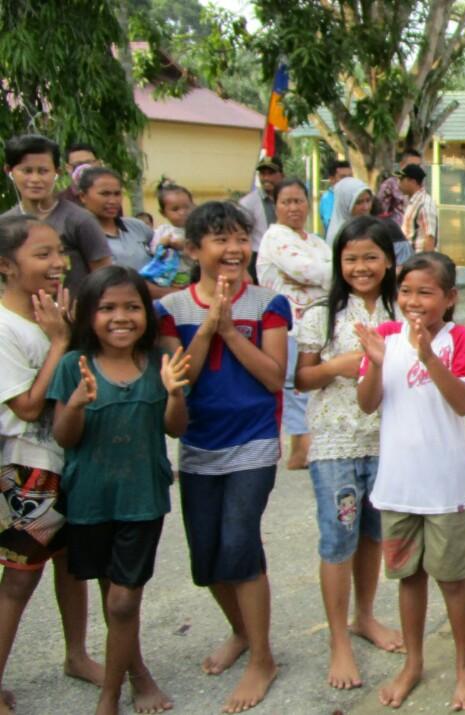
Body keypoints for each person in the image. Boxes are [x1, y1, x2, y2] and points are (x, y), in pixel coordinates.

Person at [155, 202, 290, 714]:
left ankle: (263, 657)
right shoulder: (170, 310)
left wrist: (231, 329)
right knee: (206, 559)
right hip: (197, 446)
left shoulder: (269, 304)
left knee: (240, 546)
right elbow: (177, 382)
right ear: (194, 250)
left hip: (253, 441)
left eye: (240, 238)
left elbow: (275, 377)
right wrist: (210, 324)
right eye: (219, 240)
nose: (233, 249)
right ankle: (239, 630)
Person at [49, 266, 189, 715]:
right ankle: (138, 674)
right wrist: (75, 403)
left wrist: (175, 395)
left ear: (146, 313)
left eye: (132, 307)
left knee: (125, 600)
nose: (120, 317)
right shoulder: (75, 365)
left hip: (142, 499)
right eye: (107, 308)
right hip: (90, 500)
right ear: (89, 315)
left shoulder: (158, 364)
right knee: (114, 597)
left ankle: (109, 697)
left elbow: (174, 429)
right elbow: (64, 437)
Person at [355, 252, 465, 710]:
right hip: (398, 488)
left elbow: (463, 403)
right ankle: (413, 662)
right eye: (405, 291)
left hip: (445, 489)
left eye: (425, 292)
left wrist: (429, 356)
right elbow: (368, 404)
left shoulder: (459, 339)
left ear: (449, 298)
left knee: (452, 579)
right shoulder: (386, 337)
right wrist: (373, 362)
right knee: (408, 578)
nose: (413, 300)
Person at [0, 215, 103, 715]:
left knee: (72, 565)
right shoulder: (5, 326)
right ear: (5, 266)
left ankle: (77, 655)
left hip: (71, 458)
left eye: (59, 252)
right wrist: (60, 341)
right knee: (20, 578)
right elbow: (25, 406)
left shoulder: (54, 313)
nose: (58, 263)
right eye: (42, 255)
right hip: (29, 468)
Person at [294, 215, 402, 689]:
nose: (361, 267)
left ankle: (365, 616)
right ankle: (338, 639)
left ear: (389, 260)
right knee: (338, 540)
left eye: (371, 257)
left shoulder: (403, 308)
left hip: (389, 440)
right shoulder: (323, 313)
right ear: (339, 262)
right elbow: (301, 378)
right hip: (337, 442)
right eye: (351, 258)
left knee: (374, 534)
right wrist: (338, 365)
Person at [257, 178, 333, 470]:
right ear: (275, 206)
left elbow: (332, 270)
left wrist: (320, 276)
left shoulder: (314, 241)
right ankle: (300, 446)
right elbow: (306, 270)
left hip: (317, 322)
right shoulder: (275, 237)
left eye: (299, 200)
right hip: (287, 323)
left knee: (312, 380)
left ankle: (307, 442)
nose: (293, 207)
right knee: (294, 383)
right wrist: (321, 275)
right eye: (286, 201)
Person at [2, 134, 111, 296]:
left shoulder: (79, 220)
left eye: (43, 171)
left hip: (73, 317)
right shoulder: (5, 225)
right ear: (9, 171)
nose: (35, 179)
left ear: (57, 172)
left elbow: (105, 277)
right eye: (26, 171)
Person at [239, 157, 284, 282]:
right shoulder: (248, 203)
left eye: (271, 174)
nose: (266, 178)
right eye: (263, 174)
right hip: (258, 257)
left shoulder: (287, 200)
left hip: (283, 255)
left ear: (282, 175)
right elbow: (242, 235)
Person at [148, 179, 196, 289]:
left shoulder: (196, 230)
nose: (182, 212)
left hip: (192, 277)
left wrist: (184, 246)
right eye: (175, 209)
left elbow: (202, 253)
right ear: (163, 213)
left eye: (186, 207)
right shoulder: (162, 231)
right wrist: (162, 245)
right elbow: (154, 251)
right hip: (167, 278)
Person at [398, 164, 438, 252]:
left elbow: (429, 238)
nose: (399, 183)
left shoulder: (425, 203)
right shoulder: (412, 202)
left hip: (417, 259)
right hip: (408, 257)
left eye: (401, 179)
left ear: (412, 181)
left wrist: (425, 263)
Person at [323, 176, 373, 248]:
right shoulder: (339, 236)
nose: (366, 207)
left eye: (368, 200)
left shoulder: (371, 228)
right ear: (345, 204)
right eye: (358, 202)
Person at [377, 149, 422, 226]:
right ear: (401, 165)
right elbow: (380, 213)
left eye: (418, 166)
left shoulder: (420, 185)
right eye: (411, 165)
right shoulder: (389, 185)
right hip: (396, 232)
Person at [57, 142, 99, 207]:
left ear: (97, 164)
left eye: (88, 162)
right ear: (68, 168)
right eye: (78, 164)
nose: (84, 168)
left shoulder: (112, 195)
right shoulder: (58, 202)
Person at [319, 159, 354, 234]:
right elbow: (329, 224)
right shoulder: (328, 198)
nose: (348, 180)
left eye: (350, 176)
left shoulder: (354, 196)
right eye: (343, 177)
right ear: (332, 179)